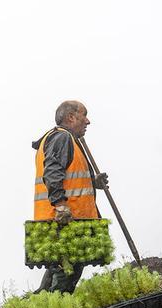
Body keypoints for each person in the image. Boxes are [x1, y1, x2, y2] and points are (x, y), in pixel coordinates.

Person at [32, 100, 108, 293]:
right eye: (84, 115)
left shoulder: (57, 139)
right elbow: (52, 173)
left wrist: (92, 182)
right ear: (71, 117)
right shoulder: (62, 138)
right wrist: (60, 205)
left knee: (56, 274)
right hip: (65, 221)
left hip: (54, 221)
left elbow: (66, 177)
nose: (88, 121)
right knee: (65, 279)